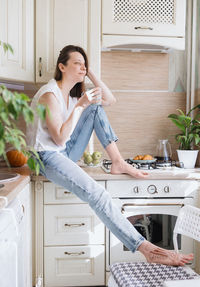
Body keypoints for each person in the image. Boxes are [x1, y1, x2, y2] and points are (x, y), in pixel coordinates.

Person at [27, 45, 193, 266]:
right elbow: (58, 139)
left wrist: (90, 73)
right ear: (61, 66)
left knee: (97, 109)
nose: (82, 67)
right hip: (45, 157)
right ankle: (147, 248)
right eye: (77, 63)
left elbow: (110, 100)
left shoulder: (72, 94)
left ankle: (118, 161)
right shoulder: (50, 95)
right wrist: (80, 106)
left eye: (84, 64)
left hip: (63, 152)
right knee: (99, 195)